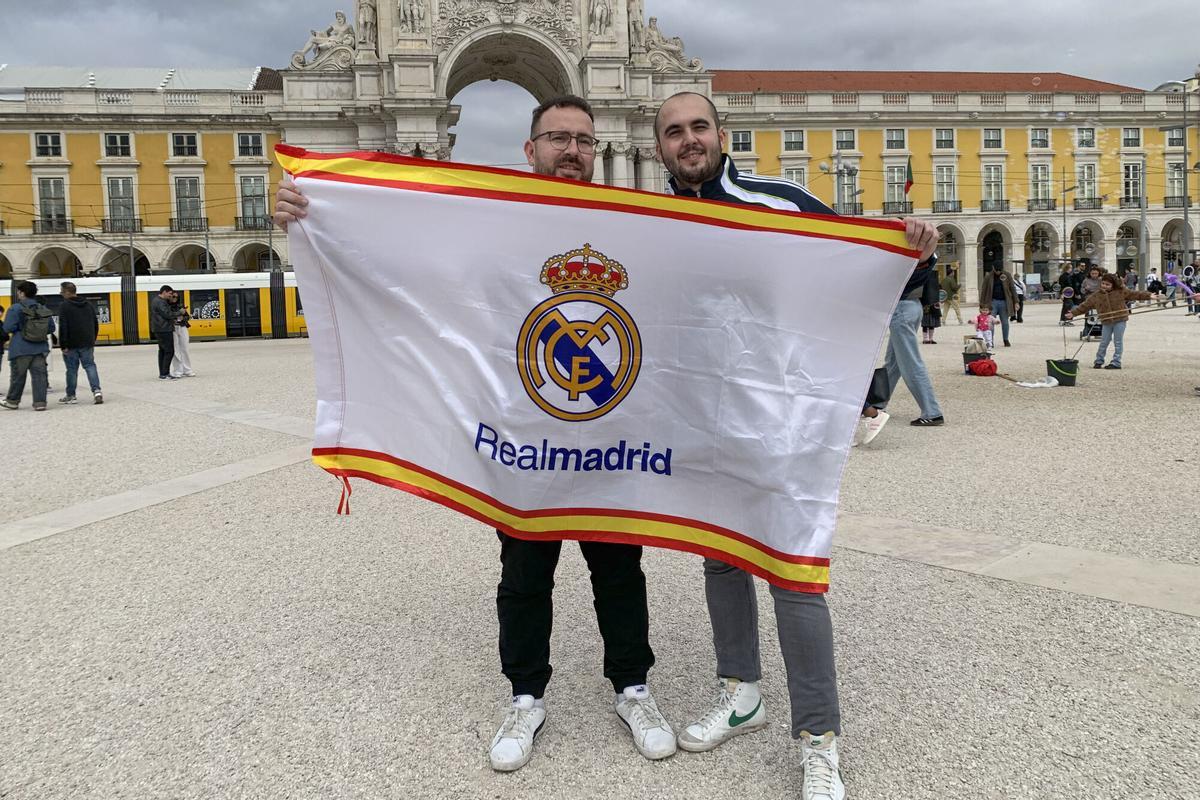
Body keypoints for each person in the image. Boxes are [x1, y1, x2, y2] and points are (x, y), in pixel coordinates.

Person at [275, 95, 674, 773]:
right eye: (557, 138)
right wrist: (317, 216)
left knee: (619, 571)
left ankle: (632, 687)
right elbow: (411, 259)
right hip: (523, 439)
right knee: (523, 577)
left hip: (609, 435)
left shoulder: (632, 222)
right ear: (530, 150)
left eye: (582, 139)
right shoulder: (490, 220)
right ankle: (525, 694)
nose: (572, 150)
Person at [653, 90, 938, 800]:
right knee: (720, 558)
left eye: (698, 127)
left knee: (794, 573)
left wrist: (912, 249)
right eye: (673, 132)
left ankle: (819, 736)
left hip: (779, 423)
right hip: (699, 418)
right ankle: (741, 689)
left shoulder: (782, 202)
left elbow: (859, 269)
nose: (688, 140)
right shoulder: (647, 221)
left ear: (722, 134)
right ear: (658, 146)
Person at [1064, 272, 1156, 369]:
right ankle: (1099, 361)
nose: (1104, 286)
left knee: (1118, 341)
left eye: (1108, 285)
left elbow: (1135, 294)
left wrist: (1148, 295)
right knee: (1104, 341)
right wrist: (1073, 313)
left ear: (1113, 285)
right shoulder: (1097, 295)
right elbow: (1085, 306)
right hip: (1106, 321)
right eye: (1103, 283)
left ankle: (1116, 362)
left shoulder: (1121, 291)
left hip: (1120, 319)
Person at [2, 281, 56, 411]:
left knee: (18, 376)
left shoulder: (15, 308)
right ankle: (40, 403)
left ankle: (13, 401)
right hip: (40, 348)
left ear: (22, 292)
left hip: (20, 348)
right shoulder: (42, 308)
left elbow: (8, 327)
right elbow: (51, 328)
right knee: (40, 377)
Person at [56, 281, 103, 405]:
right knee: (90, 366)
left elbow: (63, 326)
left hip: (71, 343)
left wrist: (63, 345)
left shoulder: (64, 306)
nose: (61, 294)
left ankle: (71, 395)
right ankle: (97, 391)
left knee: (71, 370)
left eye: (61, 291)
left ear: (67, 292)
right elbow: (95, 322)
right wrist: (92, 338)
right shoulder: (88, 304)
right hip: (87, 342)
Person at [979, 266, 1016, 346]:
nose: (998, 272)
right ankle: (990, 341)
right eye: (997, 270)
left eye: (1000, 270)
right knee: (990, 322)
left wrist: (1016, 301)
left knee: (1005, 322)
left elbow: (1012, 288)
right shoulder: (988, 276)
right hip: (992, 302)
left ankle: (1006, 339)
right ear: (993, 268)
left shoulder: (1007, 275)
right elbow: (984, 290)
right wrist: (981, 304)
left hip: (1004, 301)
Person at [150, 286, 179, 380]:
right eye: (170, 294)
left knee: (162, 351)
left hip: (159, 328)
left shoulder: (156, 300)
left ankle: (162, 373)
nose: (170, 296)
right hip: (164, 329)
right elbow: (167, 314)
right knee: (169, 351)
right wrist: (179, 313)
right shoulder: (160, 302)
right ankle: (165, 373)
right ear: (164, 292)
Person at [169, 294, 196, 378]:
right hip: (172, 328)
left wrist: (182, 318)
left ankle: (187, 369)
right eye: (173, 296)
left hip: (182, 327)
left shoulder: (180, 305)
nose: (175, 298)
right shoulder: (166, 306)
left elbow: (187, 316)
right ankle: (178, 370)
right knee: (175, 349)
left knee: (185, 348)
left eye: (176, 297)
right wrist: (176, 317)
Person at [921, 269, 941, 344]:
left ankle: (930, 339)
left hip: (932, 306)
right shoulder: (925, 283)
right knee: (926, 324)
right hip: (927, 306)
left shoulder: (935, 284)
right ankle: (926, 339)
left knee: (931, 323)